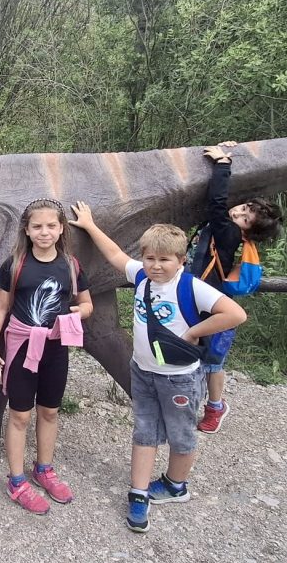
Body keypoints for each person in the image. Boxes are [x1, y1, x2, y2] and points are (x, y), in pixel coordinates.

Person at [70, 204, 247, 533]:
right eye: (150, 258)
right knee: (144, 431)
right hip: (143, 371)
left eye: (164, 259)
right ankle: (138, 494)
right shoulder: (141, 276)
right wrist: (90, 225)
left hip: (179, 377)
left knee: (181, 434)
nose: (156, 265)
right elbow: (115, 255)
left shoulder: (190, 287)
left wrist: (193, 333)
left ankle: (175, 485)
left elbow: (235, 314)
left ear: (181, 261)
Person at [0, 199, 93, 514]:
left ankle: (43, 469)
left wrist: (79, 312)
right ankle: (16, 480)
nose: (44, 232)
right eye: (37, 226)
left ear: (61, 229)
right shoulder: (15, 265)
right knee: (19, 415)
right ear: (26, 229)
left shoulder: (71, 265)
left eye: (51, 226)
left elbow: (87, 304)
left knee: (49, 412)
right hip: (22, 347)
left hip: (56, 348)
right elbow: (1, 307)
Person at [185, 142, 283, 433]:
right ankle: (190, 404)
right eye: (242, 208)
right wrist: (230, 149)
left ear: (248, 230)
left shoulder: (228, 232)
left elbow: (217, 202)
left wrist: (223, 165)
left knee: (211, 362)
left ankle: (214, 407)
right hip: (198, 299)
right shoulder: (228, 228)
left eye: (245, 217)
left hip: (212, 307)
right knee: (196, 356)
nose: (237, 212)